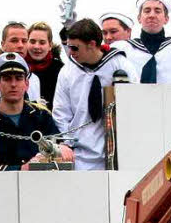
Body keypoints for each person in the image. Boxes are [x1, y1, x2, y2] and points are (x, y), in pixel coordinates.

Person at [53, 19, 136, 171]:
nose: (70, 52)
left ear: (91, 44)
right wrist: (65, 145)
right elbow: (61, 113)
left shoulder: (121, 65)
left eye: (75, 48)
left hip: (116, 153)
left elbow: (134, 106)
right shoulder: (67, 71)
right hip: (78, 155)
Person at [0, 53, 73, 173]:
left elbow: (58, 144)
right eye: (7, 79)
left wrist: (62, 148)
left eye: (18, 78)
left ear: (27, 84)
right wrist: (21, 169)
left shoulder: (42, 116)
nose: (13, 84)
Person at [0, 23, 43, 109]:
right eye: (14, 40)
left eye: (24, 41)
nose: (20, 45)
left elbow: (36, 112)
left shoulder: (34, 79)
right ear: (3, 45)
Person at [26, 22, 65, 108]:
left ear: (50, 45)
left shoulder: (59, 69)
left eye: (42, 42)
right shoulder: (19, 67)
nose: (36, 46)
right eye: (32, 42)